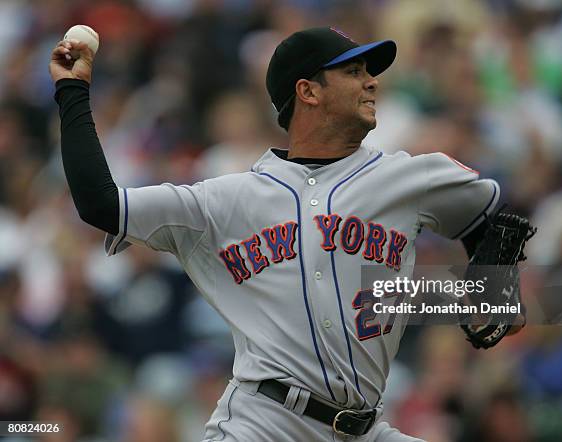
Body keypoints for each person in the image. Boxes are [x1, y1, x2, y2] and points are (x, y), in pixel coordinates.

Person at [50, 26, 523, 442]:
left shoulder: (412, 178)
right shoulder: (224, 201)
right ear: (308, 91)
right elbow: (101, 204)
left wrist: (496, 290)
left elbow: (491, 216)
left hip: (367, 426)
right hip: (264, 422)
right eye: (354, 71)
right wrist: (73, 90)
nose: (372, 81)